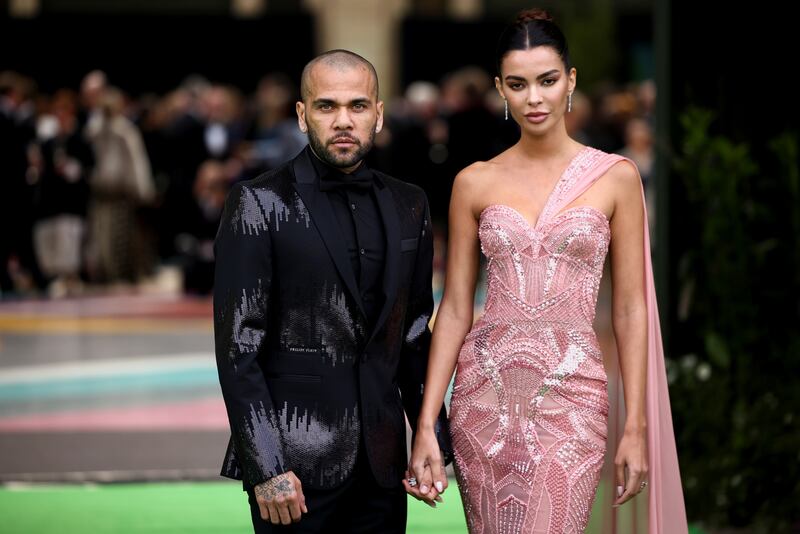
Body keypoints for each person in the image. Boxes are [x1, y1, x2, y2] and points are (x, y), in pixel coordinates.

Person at [406, 9, 686, 533]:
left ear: (571, 81)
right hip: (483, 399)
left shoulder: (616, 178)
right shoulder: (474, 182)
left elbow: (630, 308)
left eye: (547, 80)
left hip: (573, 400)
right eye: (518, 84)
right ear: (500, 90)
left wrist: (636, 426)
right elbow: (456, 308)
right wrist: (427, 422)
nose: (534, 98)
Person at [213, 49, 451, 533]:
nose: (343, 120)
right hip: (293, 471)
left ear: (378, 115)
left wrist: (430, 433)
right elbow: (239, 349)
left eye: (358, 106)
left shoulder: (411, 205)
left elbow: (412, 334)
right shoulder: (258, 203)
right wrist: (266, 467)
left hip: (383, 469)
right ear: (302, 115)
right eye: (326, 106)